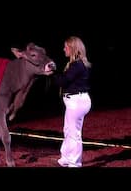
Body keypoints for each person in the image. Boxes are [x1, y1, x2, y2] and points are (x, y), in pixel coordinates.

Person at [52, 36, 92, 167]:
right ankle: (66, 157)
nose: (64, 49)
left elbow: (63, 81)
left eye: (66, 47)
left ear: (73, 48)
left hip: (77, 101)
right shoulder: (77, 64)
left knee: (73, 133)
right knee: (68, 130)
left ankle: (75, 162)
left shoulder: (77, 65)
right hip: (76, 100)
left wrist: (52, 72)